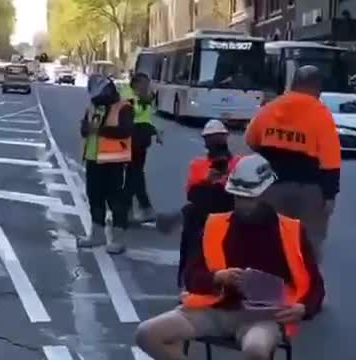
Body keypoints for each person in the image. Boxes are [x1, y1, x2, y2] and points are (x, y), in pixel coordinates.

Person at [135, 154, 324, 360]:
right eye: (238, 197)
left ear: (266, 193)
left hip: (262, 317)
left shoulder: (291, 230)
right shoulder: (214, 225)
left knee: (256, 350)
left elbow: (316, 286)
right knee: (147, 334)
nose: (243, 204)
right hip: (213, 310)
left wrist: (303, 309)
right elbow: (191, 275)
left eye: (249, 198)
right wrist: (217, 278)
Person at [245, 65, 341, 263]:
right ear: (317, 87)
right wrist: (330, 196)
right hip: (308, 191)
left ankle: (266, 284)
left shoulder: (270, 108)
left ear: (294, 83)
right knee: (308, 244)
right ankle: (304, 287)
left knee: (268, 239)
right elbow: (330, 159)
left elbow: (251, 139)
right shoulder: (320, 113)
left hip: (270, 187)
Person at [158, 119, 241, 287]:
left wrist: (226, 179)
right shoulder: (198, 165)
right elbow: (192, 193)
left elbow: (243, 191)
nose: (215, 142)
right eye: (211, 138)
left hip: (229, 211)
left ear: (226, 137)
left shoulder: (238, 163)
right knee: (192, 222)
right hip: (204, 215)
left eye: (218, 137)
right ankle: (187, 280)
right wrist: (208, 180)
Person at [79, 74, 134, 254]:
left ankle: (118, 240)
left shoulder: (123, 107)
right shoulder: (93, 106)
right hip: (93, 159)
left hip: (114, 162)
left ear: (108, 90)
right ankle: (97, 235)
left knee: (116, 200)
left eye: (99, 94)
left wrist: (100, 130)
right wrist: (87, 128)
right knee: (94, 197)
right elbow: (84, 129)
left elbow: (125, 130)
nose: (96, 98)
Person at [119, 73, 161, 223]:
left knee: (134, 175)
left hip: (140, 140)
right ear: (136, 84)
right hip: (131, 140)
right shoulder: (128, 96)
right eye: (145, 84)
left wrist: (155, 131)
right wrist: (145, 99)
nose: (147, 87)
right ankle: (135, 208)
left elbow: (145, 118)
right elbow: (133, 115)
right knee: (135, 175)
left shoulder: (141, 96)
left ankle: (133, 209)